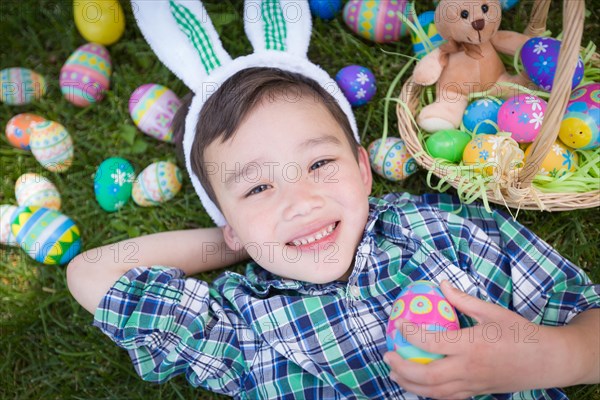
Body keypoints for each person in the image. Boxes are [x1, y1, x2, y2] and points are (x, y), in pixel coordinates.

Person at [68, 67, 600, 400]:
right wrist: (241, 241)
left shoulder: (444, 230)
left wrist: (552, 356)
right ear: (228, 224)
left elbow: (587, 323)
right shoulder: (241, 326)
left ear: (364, 171)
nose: (300, 201)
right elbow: (91, 273)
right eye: (257, 190)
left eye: (320, 163)